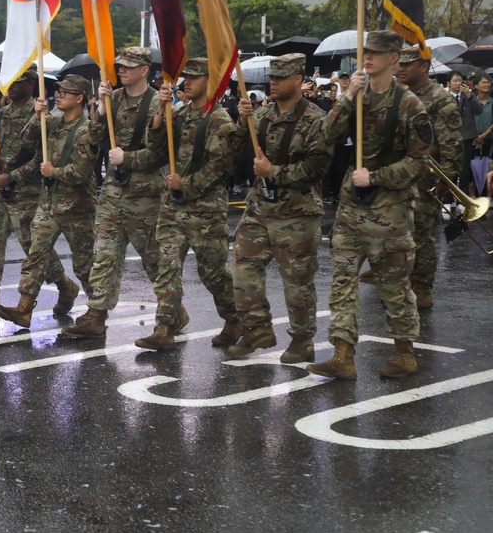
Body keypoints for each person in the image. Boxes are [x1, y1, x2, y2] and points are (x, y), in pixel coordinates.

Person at [310, 31, 432, 380]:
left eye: (376, 53)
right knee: (343, 280)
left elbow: (420, 163)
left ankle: (404, 353)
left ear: (394, 58)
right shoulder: (356, 97)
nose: (368, 57)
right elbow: (326, 137)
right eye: (366, 52)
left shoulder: (409, 105)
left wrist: (375, 177)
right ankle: (342, 354)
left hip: (389, 212)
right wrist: (347, 96)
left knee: (394, 287)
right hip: (351, 209)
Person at [222, 54, 333, 362]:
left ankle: (302, 339)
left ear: (298, 80)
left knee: (297, 282)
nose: (273, 81)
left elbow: (316, 169)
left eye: (280, 77)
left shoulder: (316, 119)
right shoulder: (263, 115)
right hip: (260, 208)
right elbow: (237, 150)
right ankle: (258, 328)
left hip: (297, 212)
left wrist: (274, 173)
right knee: (243, 269)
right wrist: (242, 122)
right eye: (271, 76)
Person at [136, 58, 239, 350]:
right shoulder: (179, 114)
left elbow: (222, 165)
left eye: (195, 77)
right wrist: (159, 111)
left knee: (213, 272)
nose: (187, 82)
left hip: (205, 208)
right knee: (166, 265)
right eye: (187, 77)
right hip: (173, 206)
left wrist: (187, 184)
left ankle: (235, 317)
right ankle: (164, 328)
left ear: (211, 81)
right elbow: (155, 147)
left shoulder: (219, 119)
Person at [64, 48, 166, 338]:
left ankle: (171, 314)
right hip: (113, 192)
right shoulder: (115, 99)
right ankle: (96, 315)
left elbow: (160, 153)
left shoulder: (158, 102)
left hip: (145, 196)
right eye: (119, 66)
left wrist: (129, 159)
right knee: (105, 256)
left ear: (144, 70)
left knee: (155, 260)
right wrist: (99, 106)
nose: (121, 71)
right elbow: (95, 137)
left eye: (128, 67)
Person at [0, 66, 72, 322]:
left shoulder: (40, 116)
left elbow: (40, 157)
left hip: (27, 190)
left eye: (19, 80)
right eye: (10, 81)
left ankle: (64, 285)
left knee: (33, 247)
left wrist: (13, 177)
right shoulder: (0, 114)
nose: (12, 85)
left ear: (31, 85)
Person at [0, 75, 98, 327]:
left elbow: (79, 173)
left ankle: (97, 313)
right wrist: (36, 116)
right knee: (36, 255)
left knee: (85, 265)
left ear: (80, 98)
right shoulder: (52, 124)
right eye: (59, 91)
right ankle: (24, 307)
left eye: (67, 92)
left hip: (77, 207)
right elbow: (26, 142)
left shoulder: (86, 131)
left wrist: (52, 172)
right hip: (50, 203)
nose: (60, 95)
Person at [393, 46, 462, 310]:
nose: (401, 69)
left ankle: (422, 287)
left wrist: (448, 177)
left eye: (407, 65)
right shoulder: (400, 95)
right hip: (398, 175)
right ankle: (401, 279)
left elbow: (452, 143)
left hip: (425, 178)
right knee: (396, 232)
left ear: (424, 66)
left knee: (420, 235)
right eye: (400, 64)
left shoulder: (440, 99)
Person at [448, 72, 483, 196]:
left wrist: (469, 96)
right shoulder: (444, 97)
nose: (458, 83)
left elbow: (479, 110)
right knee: (449, 168)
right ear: (448, 83)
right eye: (455, 81)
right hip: (449, 139)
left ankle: (461, 198)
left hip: (466, 137)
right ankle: (447, 199)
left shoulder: (469, 96)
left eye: (460, 81)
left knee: (465, 169)